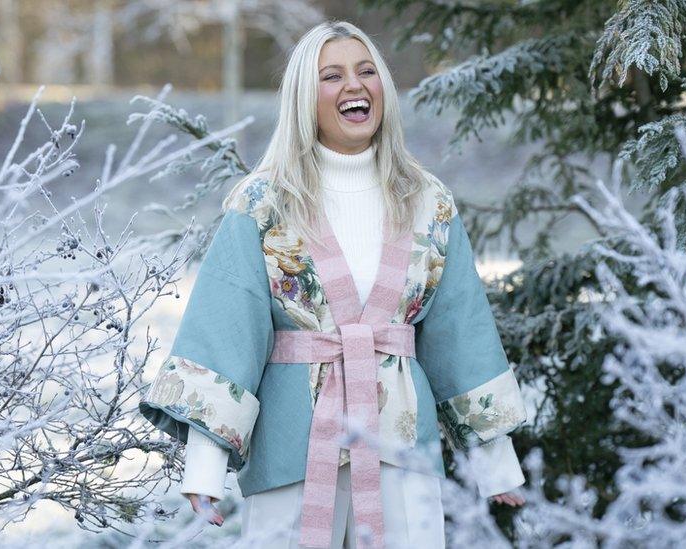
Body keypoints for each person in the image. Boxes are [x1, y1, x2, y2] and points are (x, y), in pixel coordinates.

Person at [139, 19, 528, 549]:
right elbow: (226, 328)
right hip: (292, 442)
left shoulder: (427, 201)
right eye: (332, 76)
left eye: (366, 71)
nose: (354, 85)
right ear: (304, 97)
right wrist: (204, 467)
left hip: (400, 437)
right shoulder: (263, 203)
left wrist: (495, 458)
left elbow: (460, 327)